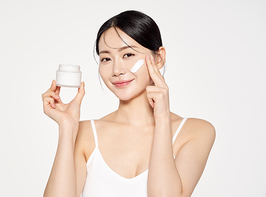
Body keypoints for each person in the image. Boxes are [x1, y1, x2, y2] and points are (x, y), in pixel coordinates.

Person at [42, 10, 215, 197]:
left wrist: (162, 118)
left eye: (128, 55)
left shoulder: (195, 132)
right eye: (106, 58)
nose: (117, 70)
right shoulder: (84, 134)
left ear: (159, 58)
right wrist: (67, 129)